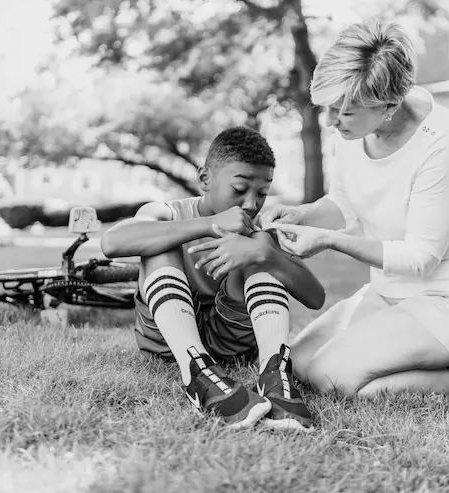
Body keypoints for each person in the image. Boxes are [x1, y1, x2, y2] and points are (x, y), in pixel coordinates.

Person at [256, 18, 449, 399]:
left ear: (389, 106)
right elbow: (344, 204)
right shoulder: (354, 128)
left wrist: (328, 241)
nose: (329, 122)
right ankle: (410, 350)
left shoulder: (443, 144)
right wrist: (301, 215)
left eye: (342, 112)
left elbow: (421, 259)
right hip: (389, 293)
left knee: (335, 380)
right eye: (328, 108)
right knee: (296, 364)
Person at [101, 126, 326, 431]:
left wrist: (266, 252)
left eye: (262, 193)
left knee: (258, 253)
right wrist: (210, 224)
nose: (250, 203)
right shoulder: (167, 211)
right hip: (169, 345)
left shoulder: (259, 228)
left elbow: (316, 297)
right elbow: (112, 243)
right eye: (239, 189)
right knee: (156, 246)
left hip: (230, 344)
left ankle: (275, 376)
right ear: (205, 178)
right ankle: (198, 374)